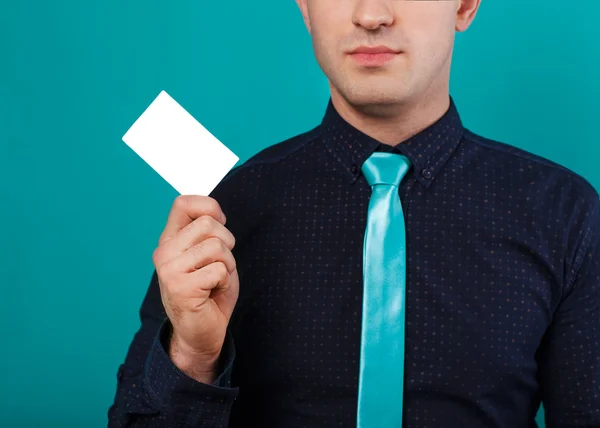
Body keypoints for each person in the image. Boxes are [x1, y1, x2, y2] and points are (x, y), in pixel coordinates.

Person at [108, 0, 600, 426]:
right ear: (305, 7)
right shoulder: (222, 216)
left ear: (465, 5)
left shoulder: (564, 213)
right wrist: (193, 356)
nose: (370, 15)